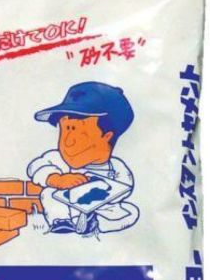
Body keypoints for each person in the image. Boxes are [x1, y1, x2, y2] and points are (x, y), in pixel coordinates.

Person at [27, 81, 140, 235]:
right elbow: (37, 167)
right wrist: (56, 179)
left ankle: (93, 224)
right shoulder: (57, 159)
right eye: (65, 130)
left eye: (76, 130)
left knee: (131, 211)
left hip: (99, 207)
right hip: (66, 204)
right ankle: (61, 222)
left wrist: (105, 194)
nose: (68, 141)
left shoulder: (117, 167)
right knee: (49, 193)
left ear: (107, 136)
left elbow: (126, 187)